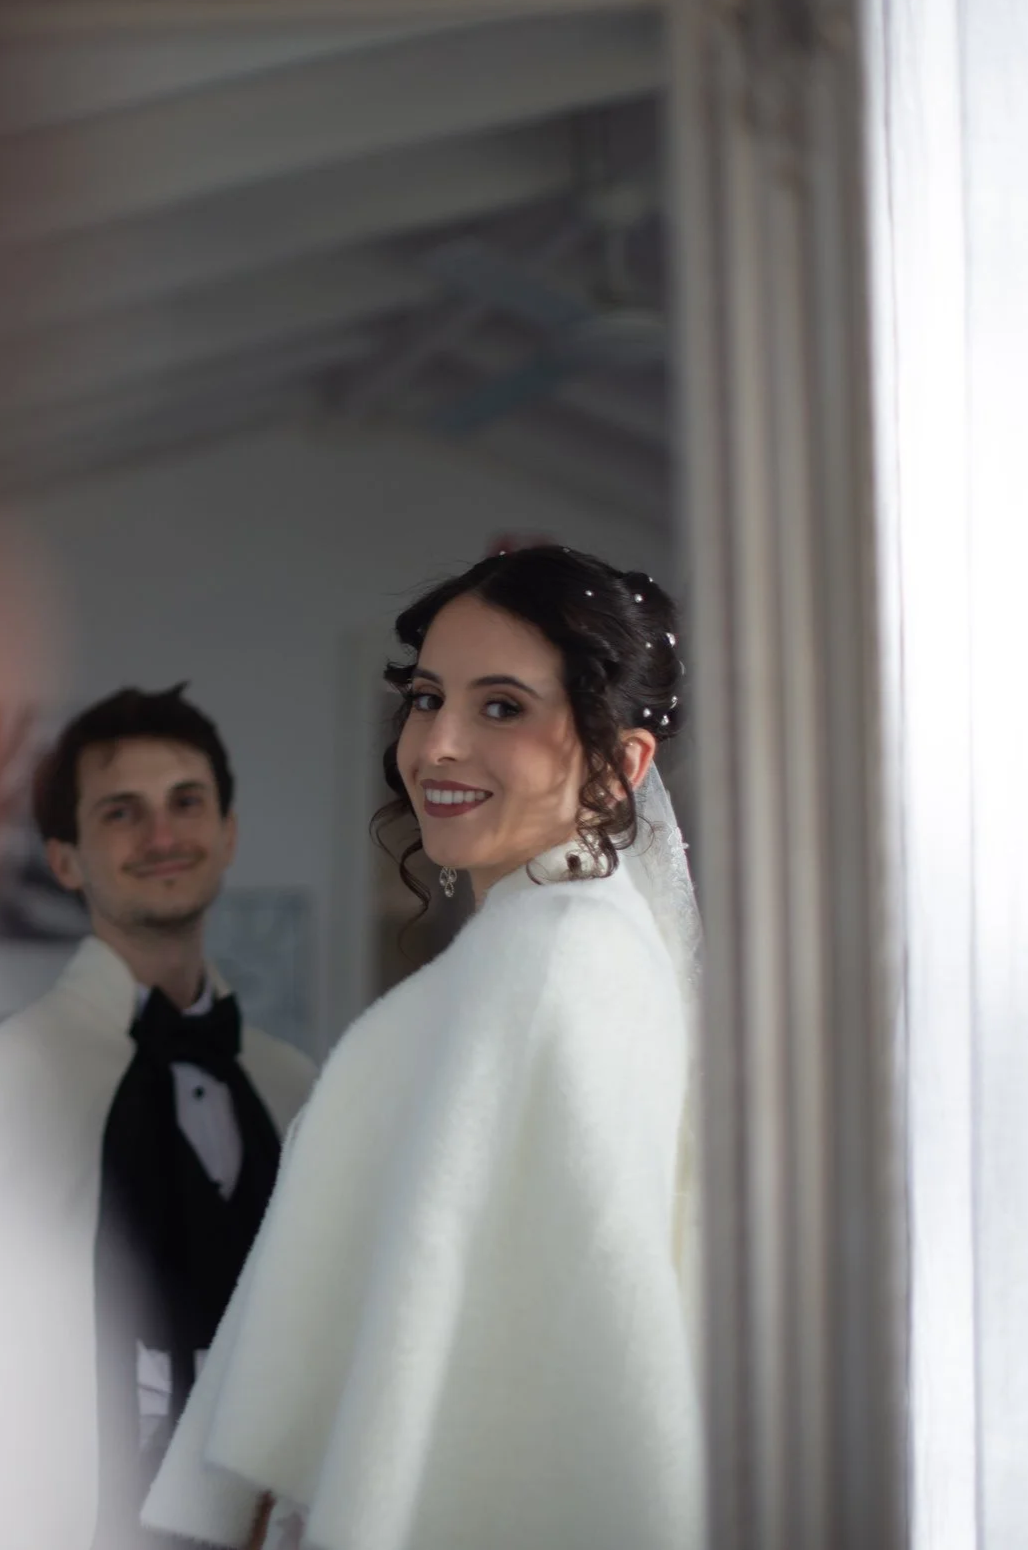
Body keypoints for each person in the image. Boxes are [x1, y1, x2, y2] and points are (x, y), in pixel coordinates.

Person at [143, 548, 705, 1550]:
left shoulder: (548, 966)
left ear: (623, 762)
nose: (436, 744)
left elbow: (553, 1363)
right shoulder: (566, 947)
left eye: (501, 707)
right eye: (426, 697)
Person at [0, 685, 317, 1550]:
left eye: (186, 803)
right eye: (122, 812)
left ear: (228, 832)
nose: (163, 836)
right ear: (64, 859)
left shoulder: (299, 1087)